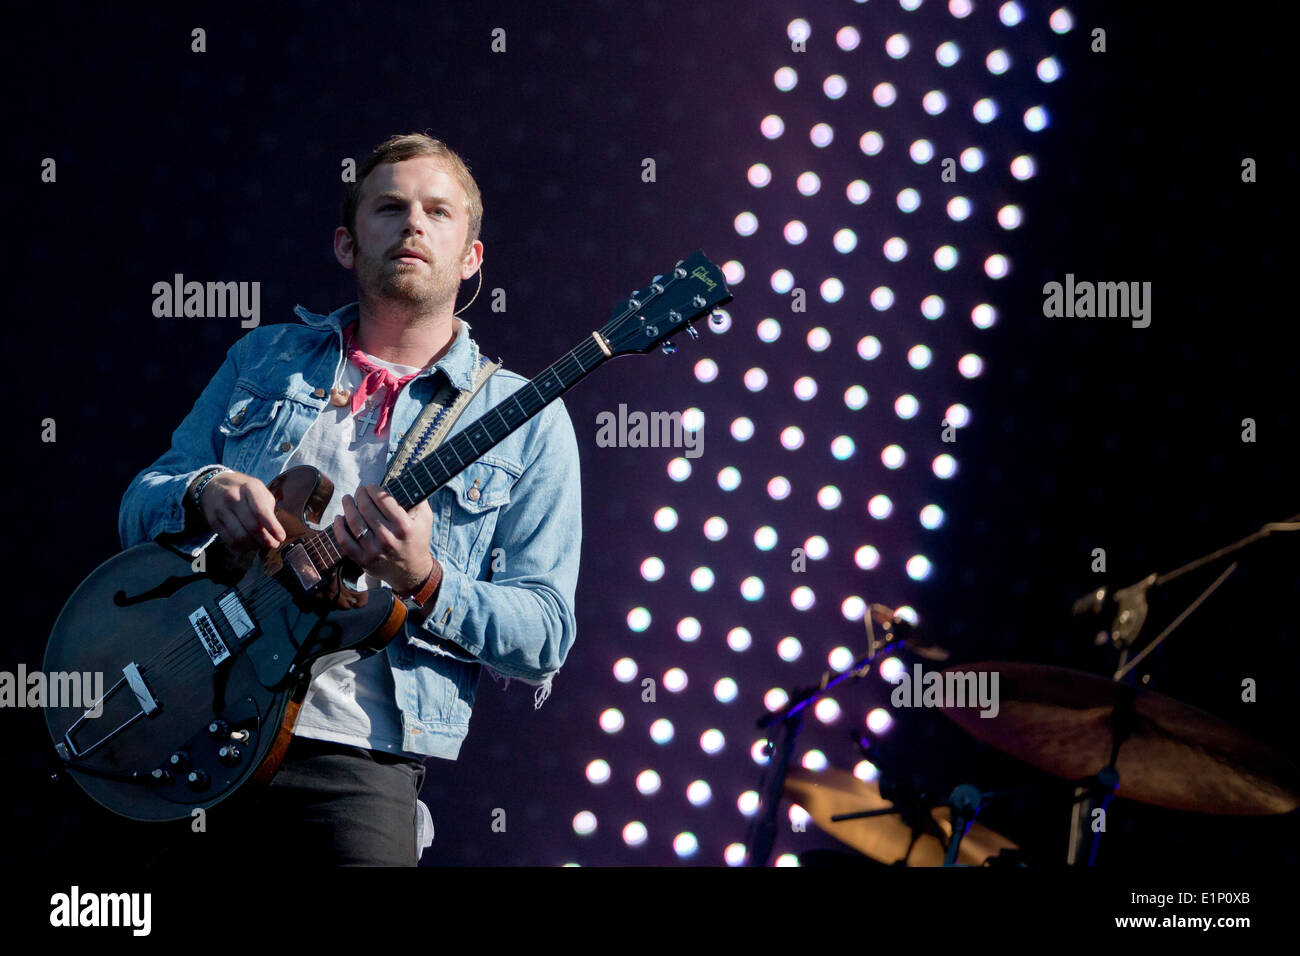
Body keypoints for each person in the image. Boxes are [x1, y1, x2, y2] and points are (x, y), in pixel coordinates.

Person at [117, 132, 583, 866]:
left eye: (438, 211)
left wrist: (427, 580)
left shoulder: (529, 420)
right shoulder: (263, 358)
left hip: (358, 762)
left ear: (472, 258)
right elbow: (137, 507)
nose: (413, 223)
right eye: (390, 207)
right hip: (187, 714)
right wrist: (203, 492)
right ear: (346, 243)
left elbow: (546, 636)